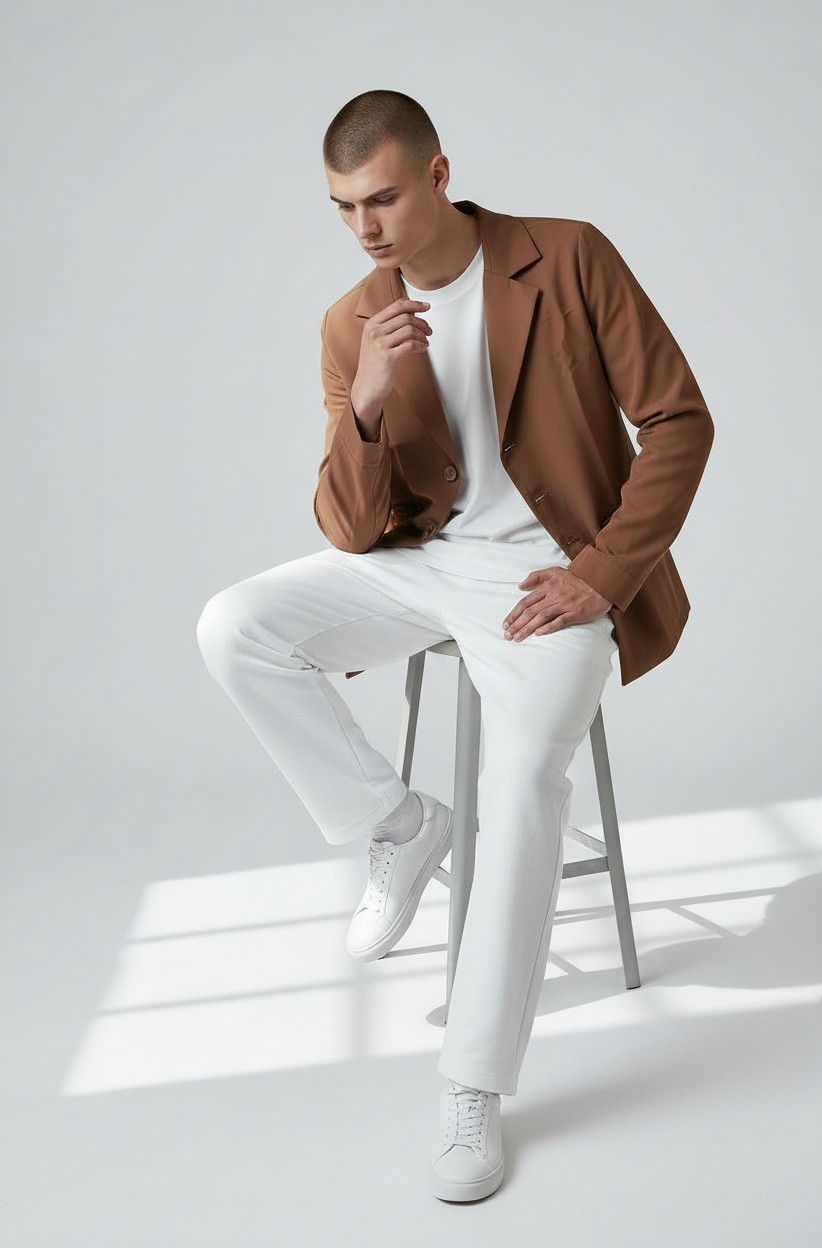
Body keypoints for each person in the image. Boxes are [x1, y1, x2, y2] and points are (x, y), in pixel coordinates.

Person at [196, 89, 714, 1203]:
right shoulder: (352, 320)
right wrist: (368, 406)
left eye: (382, 198)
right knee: (235, 626)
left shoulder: (566, 257)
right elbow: (347, 529)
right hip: (420, 563)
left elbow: (678, 420)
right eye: (343, 208)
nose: (365, 227)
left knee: (522, 783)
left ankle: (472, 1085)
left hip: (548, 579)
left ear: (438, 173)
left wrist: (600, 574)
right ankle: (399, 823)